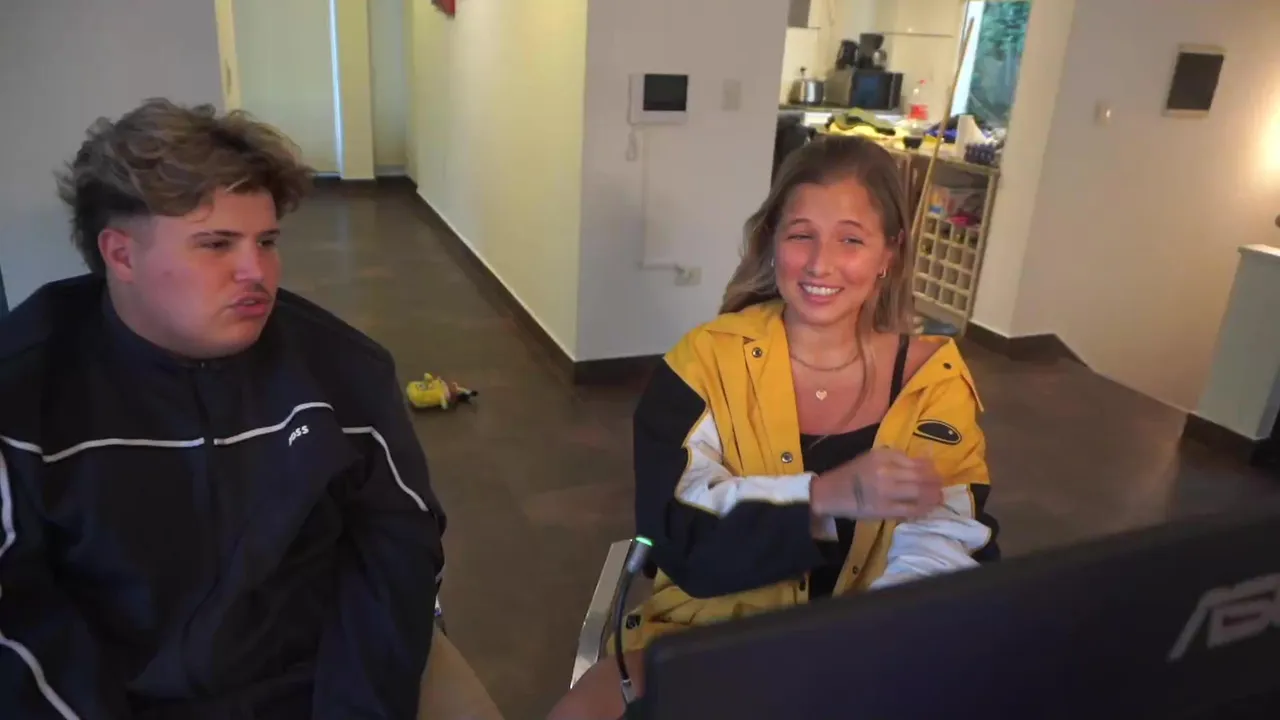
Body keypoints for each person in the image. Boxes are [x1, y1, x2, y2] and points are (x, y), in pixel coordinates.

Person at [0, 99, 500, 719]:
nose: (256, 272)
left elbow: (399, 546)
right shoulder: (25, 394)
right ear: (121, 255)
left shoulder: (341, 368)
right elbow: (18, 609)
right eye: (216, 244)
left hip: (320, 686)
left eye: (266, 242)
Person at [549, 136, 1000, 719]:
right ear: (771, 242)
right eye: (801, 235)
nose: (820, 264)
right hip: (707, 643)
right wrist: (823, 498)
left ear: (889, 253)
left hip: (868, 661)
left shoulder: (935, 383)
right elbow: (681, 538)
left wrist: (863, 655)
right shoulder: (704, 362)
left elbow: (947, 541)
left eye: (851, 240)